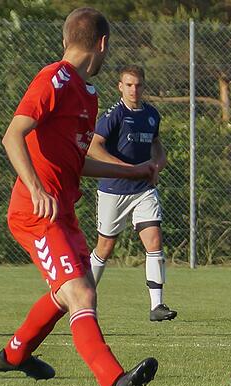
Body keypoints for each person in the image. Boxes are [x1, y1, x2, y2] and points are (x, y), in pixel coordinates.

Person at [0, 8, 159, 386]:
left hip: (62, 211)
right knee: (81, 292)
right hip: (36, 212)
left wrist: (132, 170)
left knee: (71, 295)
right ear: (102, 44)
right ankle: (114, 382)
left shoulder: (87, 93)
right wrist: (35, 188)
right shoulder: (54, 79)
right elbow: (12, 135)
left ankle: (14, 354)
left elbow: (76, 161)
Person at [86, 65, 175, 322]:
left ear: (144, 86)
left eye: (138, 85)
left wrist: (157, 165)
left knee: (154, 240)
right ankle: (82, 298)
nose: (134, 89)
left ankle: (157, 306)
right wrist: (126, 169)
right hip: (114, 190)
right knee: (105, 247)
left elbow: (157, 147)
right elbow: (93, 147)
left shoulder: (151, 115)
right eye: (128, 85)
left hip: (143, 190)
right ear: (120, 87)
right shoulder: (114, 115)